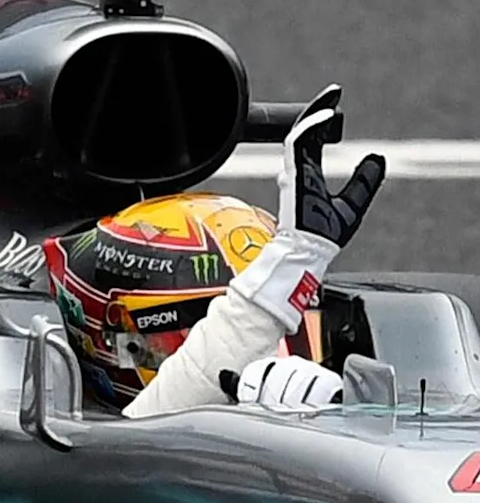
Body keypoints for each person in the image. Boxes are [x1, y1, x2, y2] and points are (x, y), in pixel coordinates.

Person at [44, 89, 386, 419]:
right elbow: (145, 435)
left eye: (292, 331)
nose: (274, 358)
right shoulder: (66, 467)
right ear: (117, 341)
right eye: (205, 329)